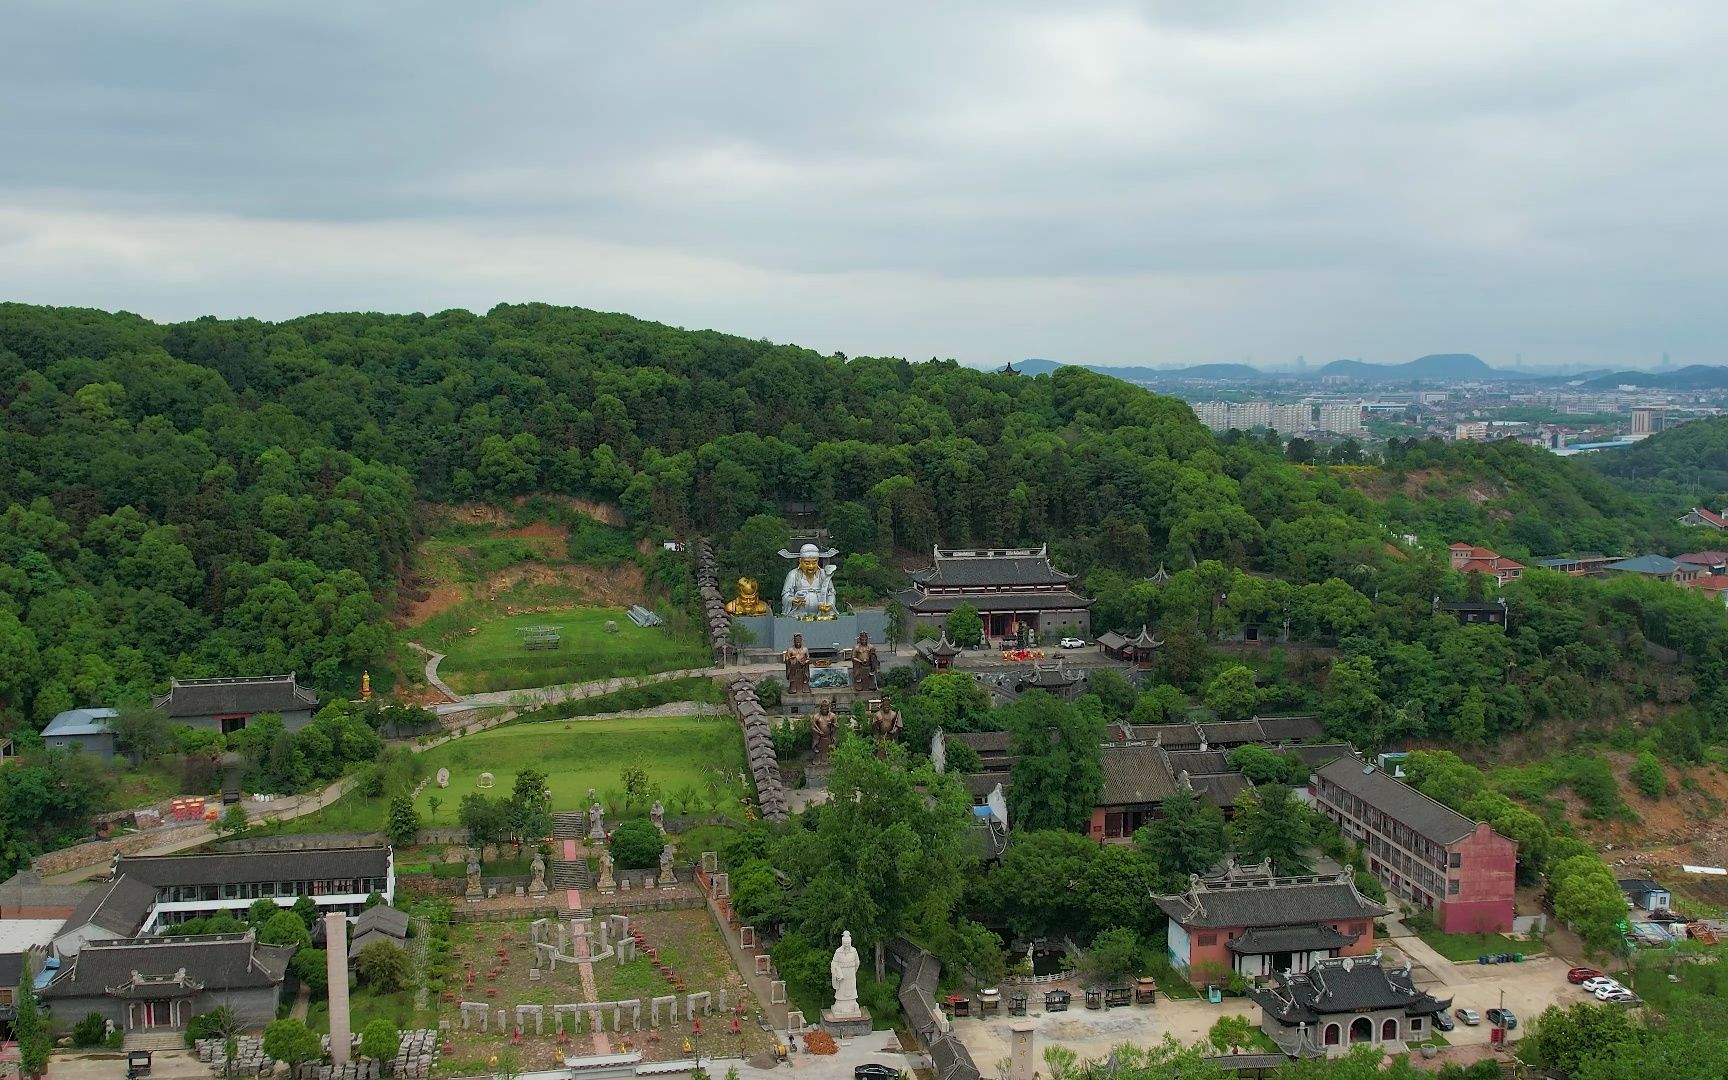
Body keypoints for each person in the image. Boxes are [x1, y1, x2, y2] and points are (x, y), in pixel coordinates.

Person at [779, 543, 839, 617]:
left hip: (821, 611)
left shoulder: (824, 574)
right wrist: (792, 600)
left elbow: (831, 592)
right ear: (800, 561)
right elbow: (786, 594)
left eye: (814, 563)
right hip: (799, 612)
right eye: (807, 563)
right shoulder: (793, 574)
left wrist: (830, 604)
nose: (811, 566)